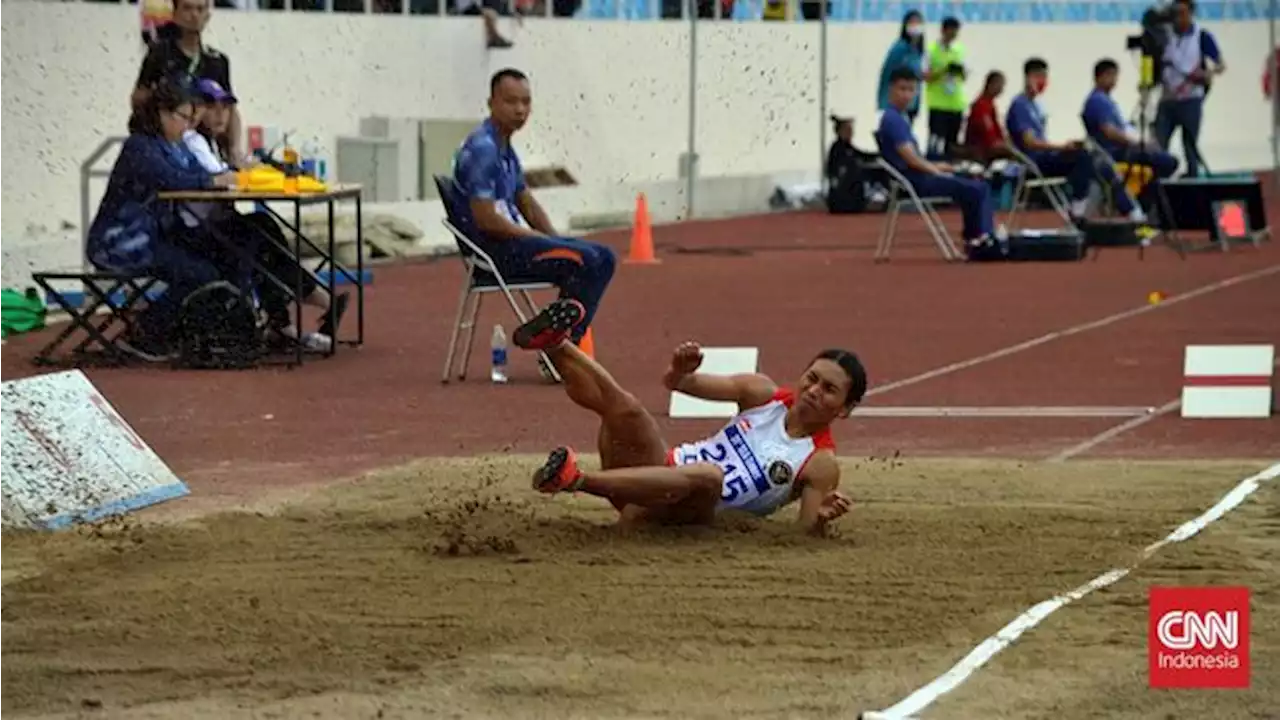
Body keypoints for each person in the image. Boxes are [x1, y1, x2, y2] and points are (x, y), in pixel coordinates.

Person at [511, 298, 862, 534]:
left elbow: (801, 533)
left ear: (844, 409)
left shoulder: (820, 462)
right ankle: (556, 344)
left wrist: (821, 520)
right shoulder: (762, 394)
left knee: (710, 476)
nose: (814, 391)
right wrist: (681, 371)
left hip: (685, 516)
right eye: (812, 379)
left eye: (829, 390)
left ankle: (575, 480)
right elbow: (679, 385)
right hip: (651, 477)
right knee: (629, 410)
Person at [451, 68, 616, 352]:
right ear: (491, 103)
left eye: (526, 102)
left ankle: (553, 336)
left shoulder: (504, 146)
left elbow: (525, 201)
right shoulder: (483, 148)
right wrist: (533, 238)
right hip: (497, 253)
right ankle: (561, 351)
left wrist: (555, 238)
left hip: (514, 244)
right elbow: (487, 219)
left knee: (604, 257)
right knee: (589, 261)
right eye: (511, 102)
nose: (520, 110)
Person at [183, 79, 348, 351]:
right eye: (212, 107)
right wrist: (248, 171)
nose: (220, 113)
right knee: (256, 236)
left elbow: (233, 173)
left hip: (213, 223)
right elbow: (224, 177)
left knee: (262, 228)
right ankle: (307, 304)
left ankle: (290, 317)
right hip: (194, 230)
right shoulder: (193, 141)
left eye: (225, 107)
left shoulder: (213, 143)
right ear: (196, 110)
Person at [87, 79, 239, 359]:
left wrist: (221, 176)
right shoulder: (140, 146)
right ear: (162, 113)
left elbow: (195, 173)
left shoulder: (175, 146)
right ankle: (146, 332)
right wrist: (216, 179)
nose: (189, 126)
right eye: (184, 118)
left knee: (228, 251)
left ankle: (211, 330)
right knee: (199, 273)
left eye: (193, 119)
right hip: (122, 241)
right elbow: (172, 180)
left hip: (155, 234)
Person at [1006, 58, 1152, 229]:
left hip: (1048, 156)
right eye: (1039, 76)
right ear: (1028, 77)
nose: (1043, 81)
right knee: (1085, 158)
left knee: (1098, 162)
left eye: (1045, 77)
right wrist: (1062, 147)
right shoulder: (1020, 105)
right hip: (1035, 162)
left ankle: (1129, 210)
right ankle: (1082, 207)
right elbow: (1030, 143)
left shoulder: (1036, 106)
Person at [877, 67, 998, 248]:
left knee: (975, 181)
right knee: (976, 189)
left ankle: (977, 236)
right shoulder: (892, 120)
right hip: (914, 181)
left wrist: (944, 167)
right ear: (890, 90)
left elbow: (916, 158)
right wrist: (937, 171)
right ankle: (980, 239)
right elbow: (911, 159)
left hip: (917, 176)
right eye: (902, 89)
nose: (907, 95)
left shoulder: (901, 118)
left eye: (911, 90)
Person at [132, 0, 244, 163]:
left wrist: (234, 149)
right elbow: (138, 98)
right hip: (166, 146)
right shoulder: (160, 54)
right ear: (175, 13)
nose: (194, 15)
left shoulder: (217, 60)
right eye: (187, 8)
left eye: (200, 9)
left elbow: (231, 108)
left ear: (208, 14)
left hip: (201, 149)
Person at [1082, 59, 1179, 210]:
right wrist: (1136, 144)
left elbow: (1123, 128)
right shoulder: (1096, 101)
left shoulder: (1109, 101)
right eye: (1110, 75)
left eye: (1115, 76)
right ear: (1099, 77)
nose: (1114, 80)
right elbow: (1109, 132)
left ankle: (1142, 202)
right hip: (1113, 152)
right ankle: (1142, 203)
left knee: (1161, 157)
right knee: (1167, 162)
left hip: (1122, 148)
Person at [1155, 0, 1225, 178]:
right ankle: (1159, 181)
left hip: (1190, 99)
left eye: (1183, 13)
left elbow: (1220, 65)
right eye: (1176, 13)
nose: (1179, 18)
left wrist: (1207, 73)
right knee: (1159, 144)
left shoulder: (1201, 36)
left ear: (1191, 13)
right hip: (1168, 99)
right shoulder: (1166, 35)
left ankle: (1192, 180)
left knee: (1190, 146)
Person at [922, 16, 968, 160]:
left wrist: (960, 71)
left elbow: (964, 76)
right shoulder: (931, 50)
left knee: (952, 144)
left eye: (955, 32)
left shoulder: (959, 49)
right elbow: (925, 76)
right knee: (935, 143)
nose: (953, 35)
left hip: (956, 104)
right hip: (938, 104)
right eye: (950, 31)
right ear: (943, 30)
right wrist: (944, 70)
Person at [876, 10, 926, 124]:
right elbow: (887, 73)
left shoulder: (918, 50)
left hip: (912, 102)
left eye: (918, 23)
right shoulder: (900, 47)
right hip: (897, 103)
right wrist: (884, 102)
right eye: (912, 23)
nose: (915, 26)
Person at [963, 71, 1009, 163]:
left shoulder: (991, 105)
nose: (1001, 89)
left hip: (988, 147)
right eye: (1000, 85)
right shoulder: (980, 105)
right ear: (991, 84)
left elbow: (997, 130)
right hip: (980, 150)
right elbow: (987, 134)